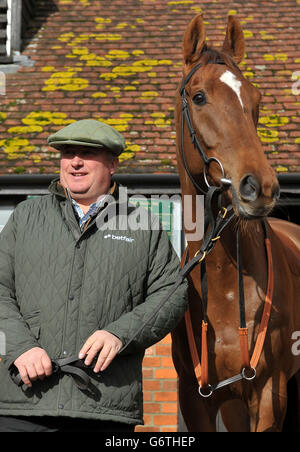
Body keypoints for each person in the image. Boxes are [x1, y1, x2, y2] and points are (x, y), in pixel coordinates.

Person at [0, 119, 188, 432]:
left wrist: (120, 333)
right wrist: (20, 347)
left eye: (87, 153)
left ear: (113, 164)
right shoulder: (26, 217)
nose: (75, 161)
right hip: (23, 404)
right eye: (68, 152)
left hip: (104, 408)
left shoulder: (142, 224)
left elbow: (172, 293)